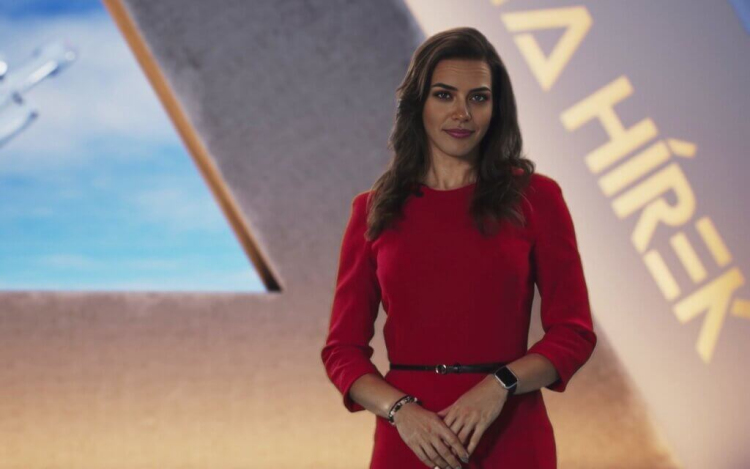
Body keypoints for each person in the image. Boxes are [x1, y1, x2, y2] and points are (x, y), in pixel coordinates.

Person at [321, 26, 597, 469]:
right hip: (410, 440)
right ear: (419, 104)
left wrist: (499, 385)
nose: (462, 113)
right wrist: (400, 412)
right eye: (444, 95)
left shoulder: (537, 198)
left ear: (496, 107)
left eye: (479, 97)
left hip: (511, 432)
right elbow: (342, 350)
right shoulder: (372, 210)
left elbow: (574, 332)